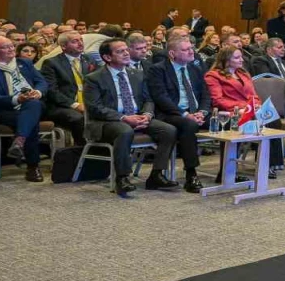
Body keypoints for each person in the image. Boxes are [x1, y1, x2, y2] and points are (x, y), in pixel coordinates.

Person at [83, 38, 180, 197]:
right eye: (120, 51)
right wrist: (124, 118)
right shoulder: (94, 78)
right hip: (107, 122)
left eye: (126, 50)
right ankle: (122, 178)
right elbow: (95, 108)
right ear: (107, 57)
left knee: (168, 130)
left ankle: (156, 175)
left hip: (137, 117)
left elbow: (148, 99)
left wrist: (147, 115)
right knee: (125, 130)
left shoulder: (138, 74)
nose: (126, 53)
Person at [0, 35, 47, 182]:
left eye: (12, 46)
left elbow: (41, 82)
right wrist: (16, 99)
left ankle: (20, 141)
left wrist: (38, 92)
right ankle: (32, 166)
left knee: (33, 105)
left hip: (30, 106)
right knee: (30, 120)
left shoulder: (24, 63)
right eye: (6, 47)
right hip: (3, 110)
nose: (12, 49)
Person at [205, 45, 285, 177]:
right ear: (226, 60)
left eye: (241, 57)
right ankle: (227, 171)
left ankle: (268, 164)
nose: (242, 60)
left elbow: (254, 95)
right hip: (230, 112)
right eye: (237, 57)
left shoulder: (243, 74)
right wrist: (242, 108)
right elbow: (218, 100)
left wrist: (256, 105)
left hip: (248, 110)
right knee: (246, 122)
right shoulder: (213, 76)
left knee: (273, 119)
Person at [144, 35, 208, 192]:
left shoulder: (195, 68)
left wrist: (202, 112)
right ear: (172, 54)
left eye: (191, 48)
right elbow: (161, 98)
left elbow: (206, 94)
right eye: (186, 50)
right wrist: (185, 114)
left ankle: (227, 172)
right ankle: (191, 174)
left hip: (196, 113)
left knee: (227, 122)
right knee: (189, 125)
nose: (191, 52)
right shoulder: (158, 69)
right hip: (171, 114)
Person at [38, 30, 93, 146]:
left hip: (87, 103)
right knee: (79, 118)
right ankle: (81, 149)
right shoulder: (52, 63)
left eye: (81, 40)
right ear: (63, 46)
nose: (80, 43)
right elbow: (52, 91)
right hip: (61, 106)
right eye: (75, 41)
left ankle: (103, 149)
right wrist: (75, 105)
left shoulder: (89, 60)